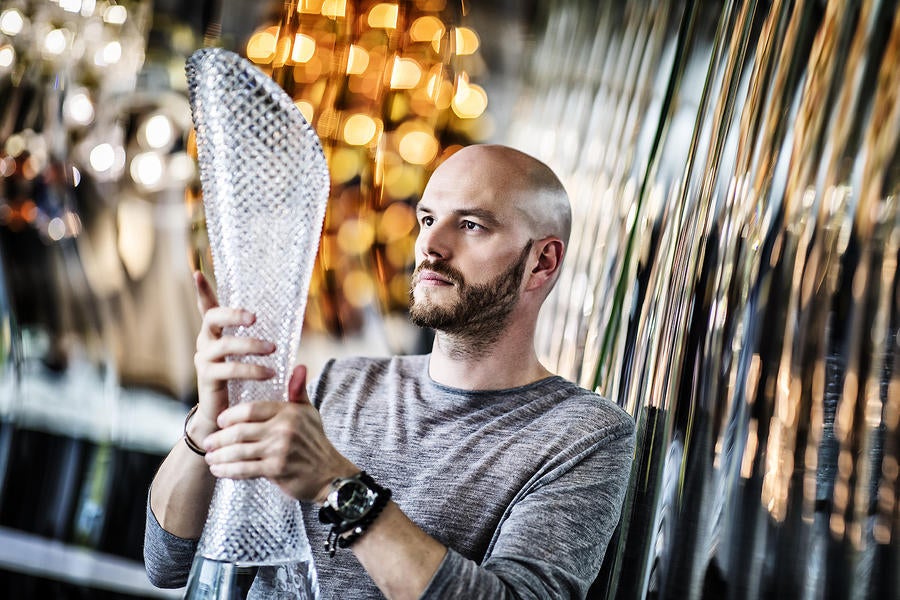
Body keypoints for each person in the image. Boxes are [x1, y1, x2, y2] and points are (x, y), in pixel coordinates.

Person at [144, 144, 635, 599]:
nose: (431, 246)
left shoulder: (583, 435)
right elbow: (168, 563)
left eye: (471, 225)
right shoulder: (342, 384)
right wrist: (211, 419)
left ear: (542, 262)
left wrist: (337, 486)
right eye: (427, 218)